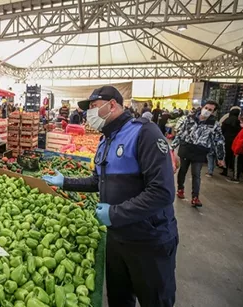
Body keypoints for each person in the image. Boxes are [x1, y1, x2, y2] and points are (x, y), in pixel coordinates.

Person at [42, 86, 178, 307]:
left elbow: (162, 192)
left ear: (112, 105)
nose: (90, 114)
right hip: (117, 237)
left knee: (155, 300)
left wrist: (114, 213)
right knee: (118, 299)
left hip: (149, 239)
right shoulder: (106, 140)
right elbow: (99, 180)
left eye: (94, 107)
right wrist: (66, 181)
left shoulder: (145, 133)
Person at [172, 101, 225, 207]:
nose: (207, 111)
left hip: (200, 151)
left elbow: (219, 140)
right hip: (186, 148)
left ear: (213, 112)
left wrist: (220, 157)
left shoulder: (214, 124)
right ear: (202, 107)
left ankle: (195, 197)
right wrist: (172, 147)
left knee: (196, 174)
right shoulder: (189, 118)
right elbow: (180, 133)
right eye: (206, 108)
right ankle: (180, 189)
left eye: (210, 110)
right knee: (182, 170)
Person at [227, 113, 243, 183]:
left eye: (241, 122)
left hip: (240, 151)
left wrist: (236, 151)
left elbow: (241, 142)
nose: (240, 124)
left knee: (237, 163)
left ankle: (235, 177)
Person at [220, 108, 241, 176]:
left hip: (226, 139)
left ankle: (224, 170)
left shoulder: (227, 120)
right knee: (233, 156)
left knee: (226, 155)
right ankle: (233, 170)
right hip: (235, 140)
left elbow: (222, 130)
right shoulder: (238, 122)